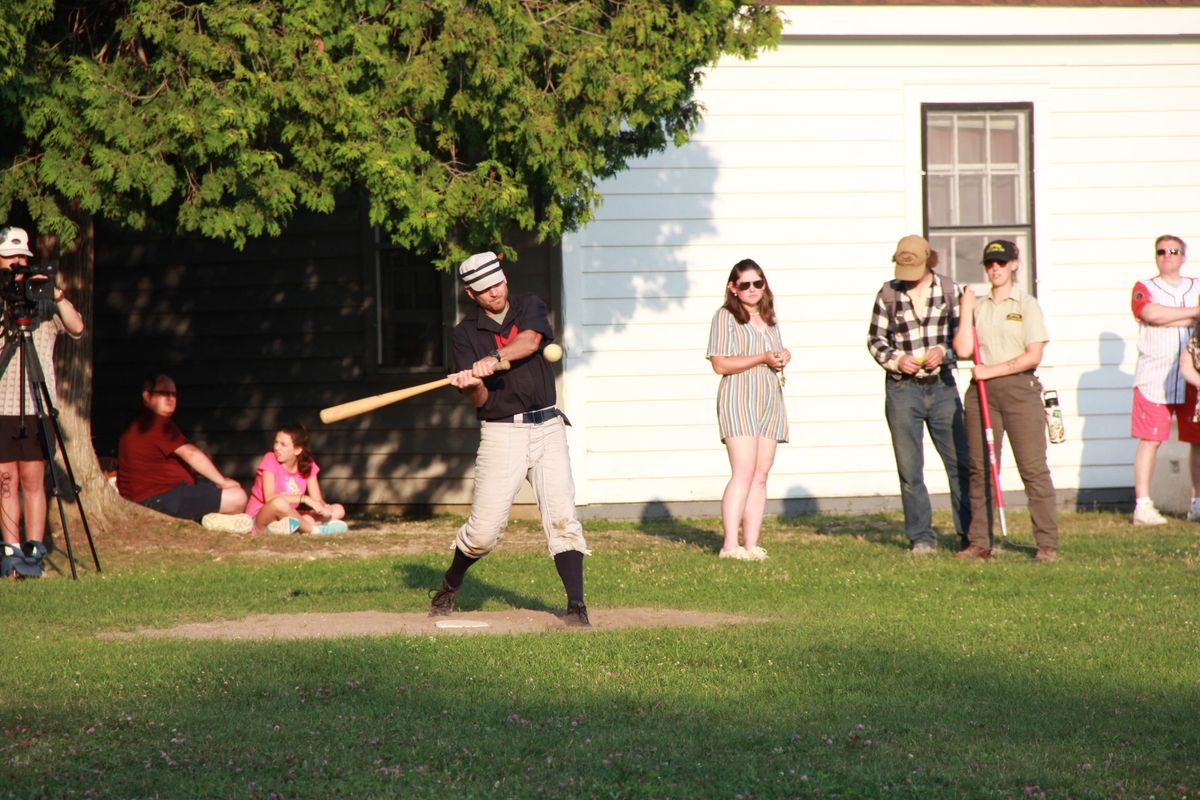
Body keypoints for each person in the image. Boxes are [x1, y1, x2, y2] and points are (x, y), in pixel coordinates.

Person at [428, 251, 590, 626]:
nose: (494, 294)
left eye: (498, 284)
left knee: (564, 518)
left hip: (548, 426)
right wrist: (472, 385)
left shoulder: (529, 306)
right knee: (483, 533)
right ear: (471, 294)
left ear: (505, 279)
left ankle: (576, 607)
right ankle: (451, 582)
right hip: (503, 433)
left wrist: (496, 357)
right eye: (484, 290)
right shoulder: (465, 335)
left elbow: (532, 342)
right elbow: (482, 402)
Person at [952, 240, 1059, 562]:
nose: (995, 268)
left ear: (1014, 264)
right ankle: (980, 542)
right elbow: (961, 350)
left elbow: (1033, 354)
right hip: (982, 394)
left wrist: (992, 370)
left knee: (1033, 468)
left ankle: (1047, 544)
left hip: (1019, 390)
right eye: (990, 264)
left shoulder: (1026, 305)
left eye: (1001, 262)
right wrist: (966, 310)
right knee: (981, 468)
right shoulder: (979, 307)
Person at [867, 235, 971, 554]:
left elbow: (963, 337)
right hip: (902, 390)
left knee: (960, 463)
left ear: (929, 261)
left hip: (942, 387)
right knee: (910, 469)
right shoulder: (887, 293)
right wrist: (897, 360)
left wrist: (943, 352)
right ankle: (921, 536)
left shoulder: (950, 290)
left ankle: (971, 533)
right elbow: (875, 340)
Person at [0, 226, 85, 578]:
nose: (18, 264)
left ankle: (35, 550)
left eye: (22, 258)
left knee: (34, 477)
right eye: (10, 258)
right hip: (2, 405)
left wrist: (57, 294)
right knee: (5, 478)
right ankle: (10, 549)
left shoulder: (43, 302)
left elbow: (77, 328)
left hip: (36, 403)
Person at [706, 258, 790, 561]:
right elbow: (720, 363)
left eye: (758, 283)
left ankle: (752, 544)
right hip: (739, 397)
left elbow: (773, 353)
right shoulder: (726, 317)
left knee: (761, 474)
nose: (753, 289)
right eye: (745, 285)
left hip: (769, 397)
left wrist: (782, 356)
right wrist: (761, 358)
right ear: (733, 288)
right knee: (742, 472)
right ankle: (730, 545)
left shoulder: (769, 317)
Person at [1130, 235, 1200, 525]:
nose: (1167, 256)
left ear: (1183, 256)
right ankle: (1143, 504)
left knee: (1197, 441)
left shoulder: (1195, 285)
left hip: (1192, 376)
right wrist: (1194, 315)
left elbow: (1161, 316)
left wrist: (1172, 317)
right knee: (1151, 440)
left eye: (1174, 251)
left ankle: (1196, 502)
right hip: (1155, 377)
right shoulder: (1145, 287)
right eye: (1162, 252)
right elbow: (1150, 313)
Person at [116, 373, 248, 523]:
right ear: (147, 397)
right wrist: (221, 481)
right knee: (238, 497)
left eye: (174, 394)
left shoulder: (140, 422)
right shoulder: (155, 423)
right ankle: (213, 522)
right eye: (164, 393)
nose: (171, 398)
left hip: (159, 495)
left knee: (221, 489)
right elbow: (191, 454)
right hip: (159, 499)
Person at [244, 424, 347, 535]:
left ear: (297, 450)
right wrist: (304, 499)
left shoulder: (309, 465)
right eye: (276, 442)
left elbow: (317, 499)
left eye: (283, 444)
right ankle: (314, 531)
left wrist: (323, 507)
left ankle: (290, 529)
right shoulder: (270, 458)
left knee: (338, 509)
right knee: (279, 503)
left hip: (289, 516)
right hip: (261, 517)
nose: (277, 447)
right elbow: (270, 498)